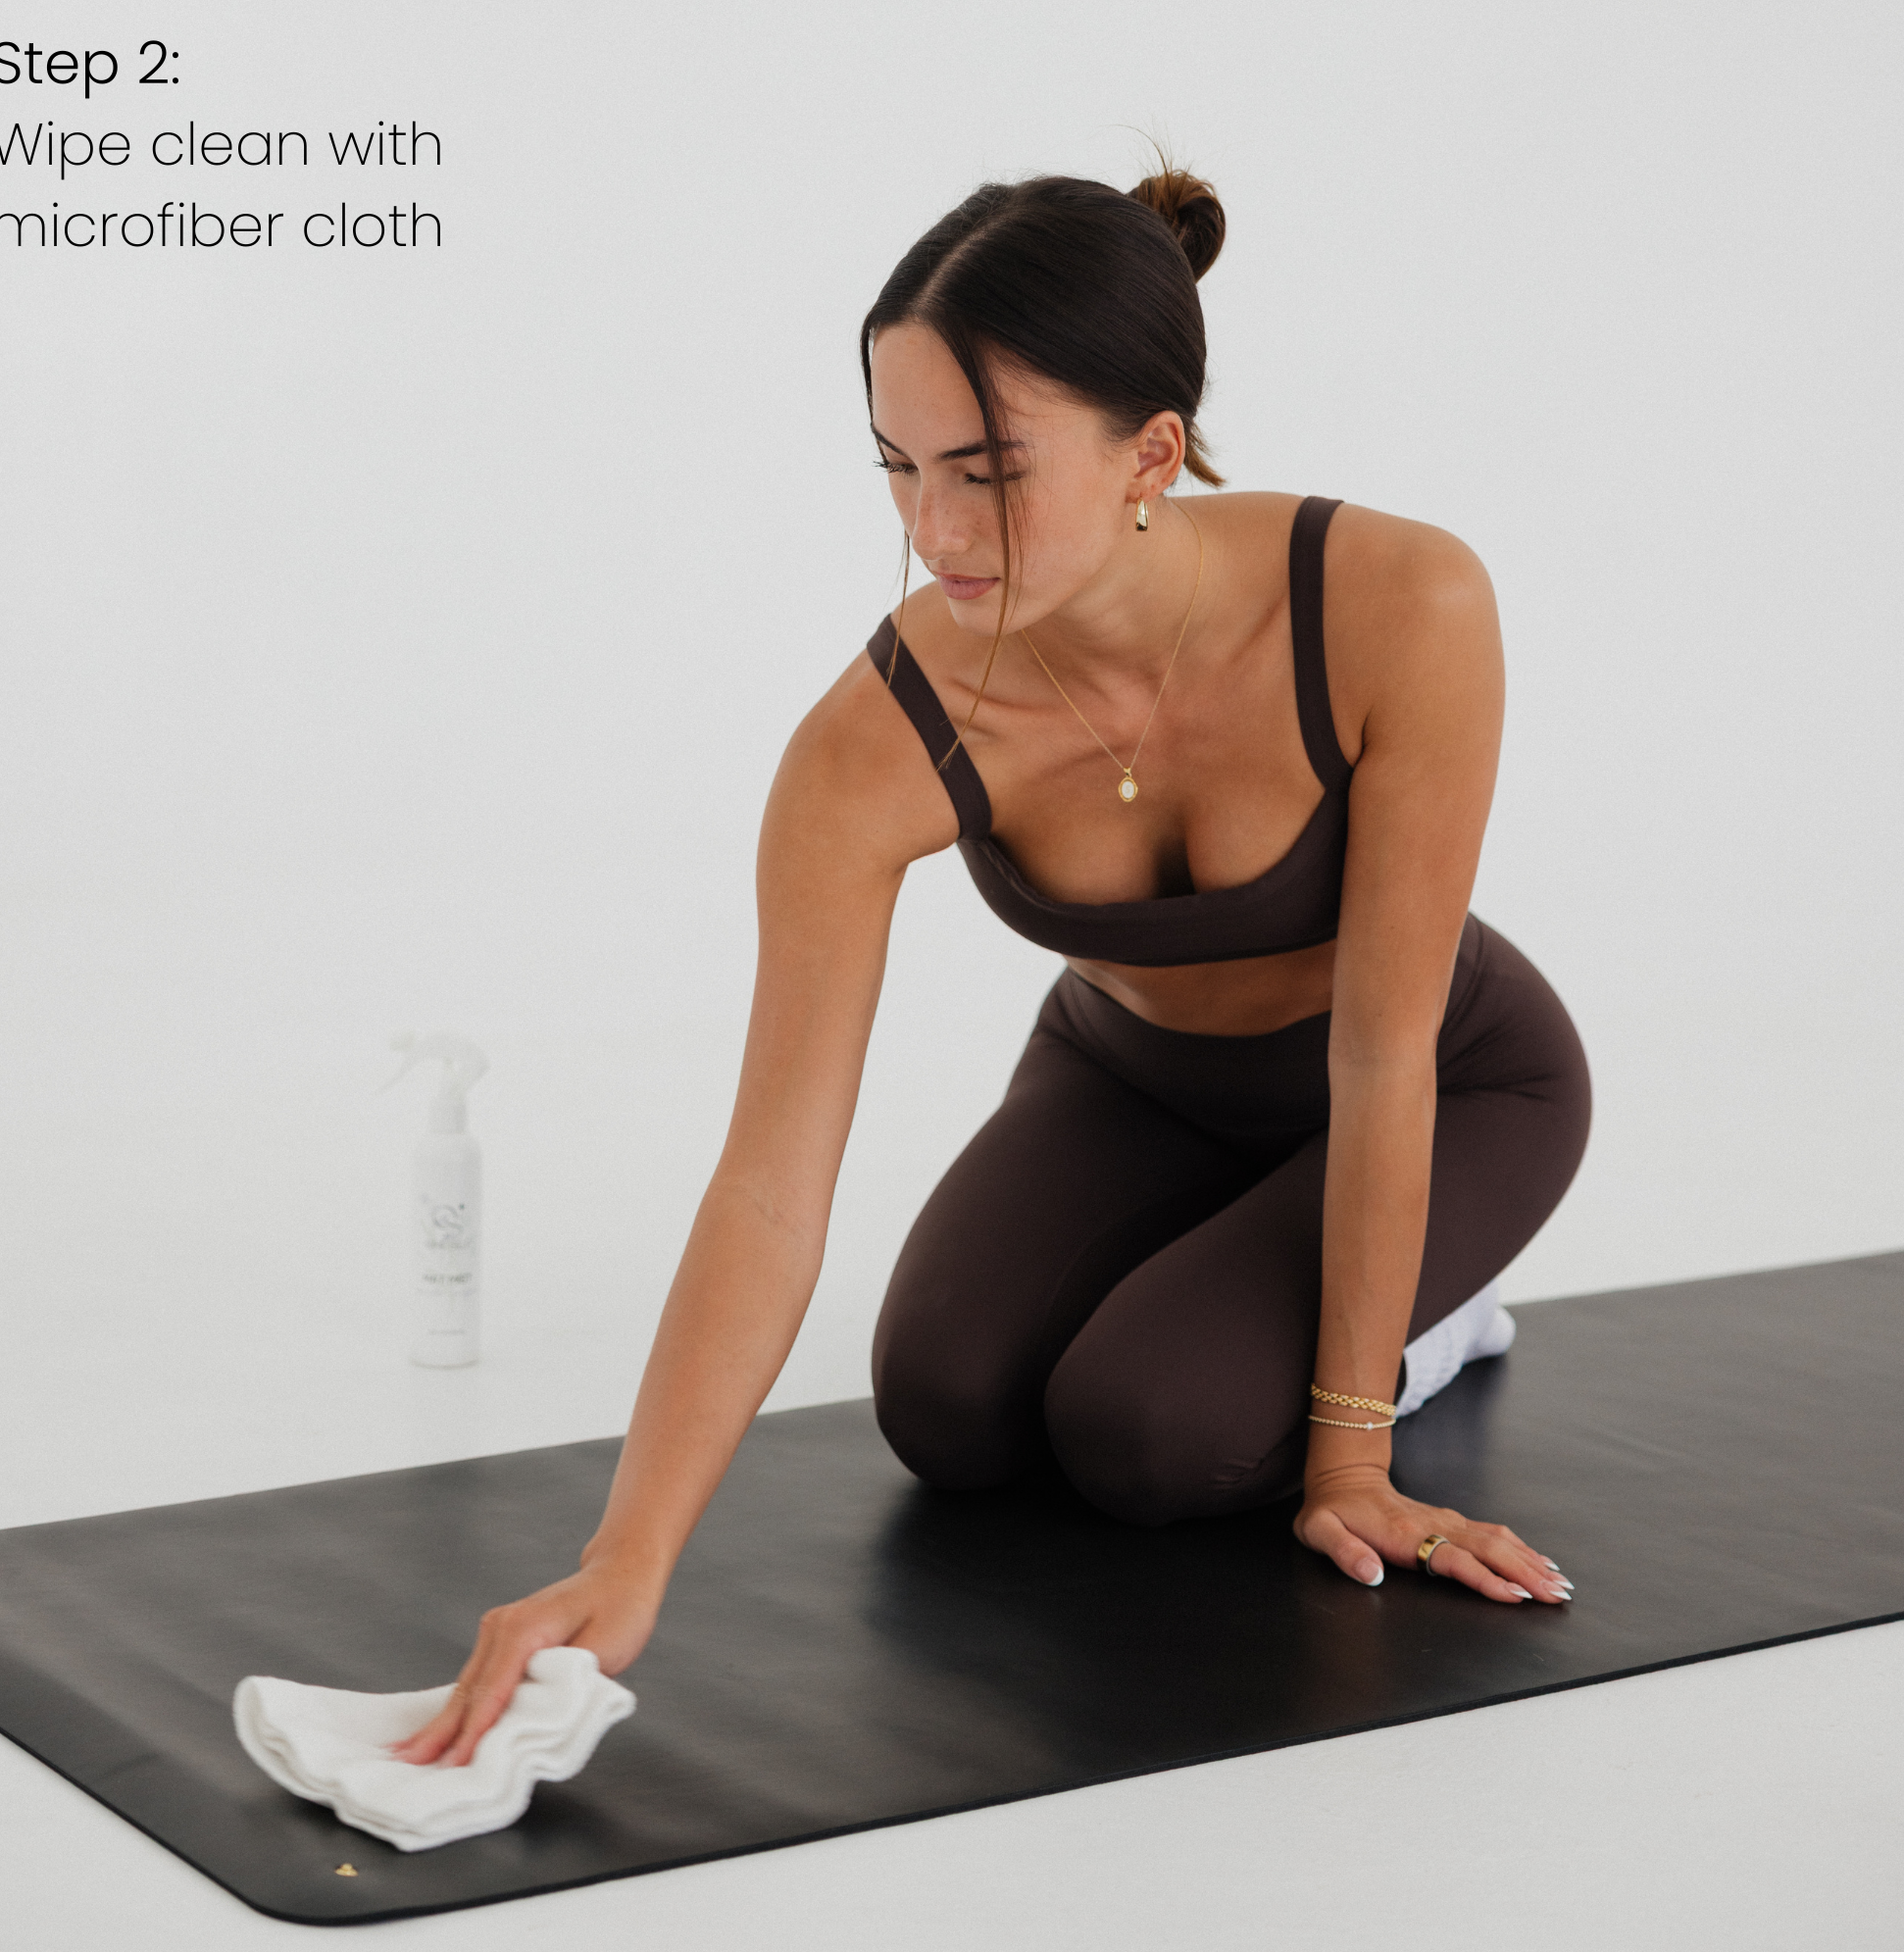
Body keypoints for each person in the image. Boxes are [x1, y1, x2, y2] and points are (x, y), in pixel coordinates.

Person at [398, 166, 1589, 1769]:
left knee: (1146, 1434)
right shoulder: (871, 742)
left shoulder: (1397, 604)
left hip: (1442, 1078)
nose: (934, 535)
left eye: (990, 471)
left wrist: (1348, 1458)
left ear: (1151, 452)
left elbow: (1381, 1055)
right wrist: (628, 1561)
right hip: (1134, 1074)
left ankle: (1439, 1323)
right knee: (947, 1408)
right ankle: (1256, 1270)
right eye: (897, 469)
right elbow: (768, 1180)